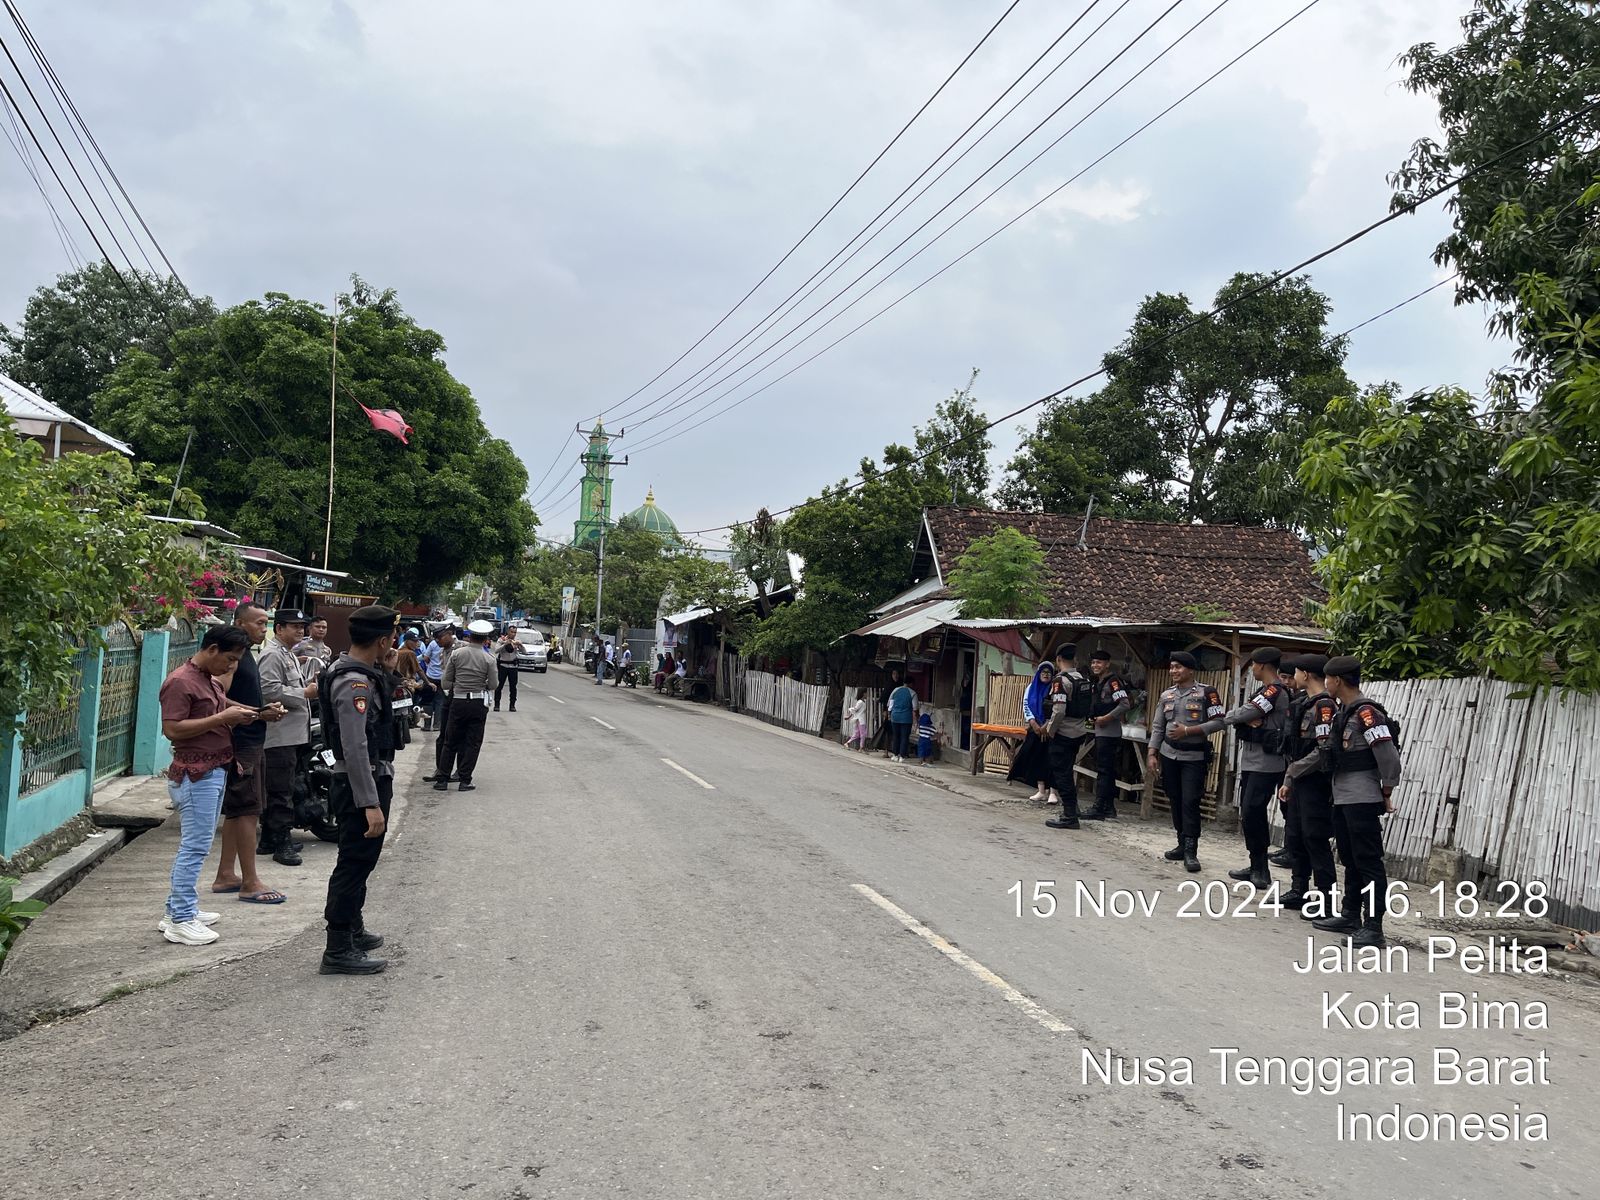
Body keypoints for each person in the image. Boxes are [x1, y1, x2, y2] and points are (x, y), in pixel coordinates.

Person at [157, 626, 259, 946]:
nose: (231, 666)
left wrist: (254, 713)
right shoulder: (180, 682)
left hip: (214, 769)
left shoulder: (206, 680)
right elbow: (173, 729)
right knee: (195, 846)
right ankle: (181, 919)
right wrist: (222, 719)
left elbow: (221, 704)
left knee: (197, 845)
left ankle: (176, 909)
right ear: (212, 649)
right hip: (195, 774)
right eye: (229, 659)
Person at [318, 605, 401, 975]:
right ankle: (337, 948)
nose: (393, 643)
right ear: (382, 640)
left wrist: (389, 669)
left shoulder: (356, 672)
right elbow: (354, 746)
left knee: (361, 861)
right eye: (391, 638)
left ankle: (352, 928)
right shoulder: (354, 683)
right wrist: (370, 802)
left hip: (364, 779)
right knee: (353, 865)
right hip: (360, 783)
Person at [1178, 646, 1292, 889]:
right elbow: (1246, 717)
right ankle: (1256, 864)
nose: (1252, 669)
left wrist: (1235, 718)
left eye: (1254, 665)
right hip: (1253, 760)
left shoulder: (1274, 691)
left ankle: (1261, 868)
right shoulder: (1263, 690)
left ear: (1262, 665)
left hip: (1266, 762)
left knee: (1253, 811)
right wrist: (1245, 721)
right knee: (1249, 813)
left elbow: (1245, 713)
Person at [1311, 655, 1402, 949]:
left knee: (1368, 861)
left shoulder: (1367, 714)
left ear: (1337, 680)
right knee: (1350, 858)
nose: (1326, 683)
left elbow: (1388, 757)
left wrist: (1386, 792)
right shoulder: (1344, 713)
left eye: (1328, 678)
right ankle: (1350, 914)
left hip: (1362, 798)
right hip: (1343, 797)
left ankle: (1373, 927)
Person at [214, 602, 287, 905]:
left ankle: (225, 874)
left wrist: (262, 711)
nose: (263, 628)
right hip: (242, 741)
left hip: (251, 739)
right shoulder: (232, 659)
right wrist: (258, 713)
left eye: (265, 622)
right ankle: (250, 882)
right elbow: (217, 697)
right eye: (258, 622)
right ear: (239, 624)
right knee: (247, 810)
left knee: (238, 810)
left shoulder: (246, 655)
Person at [1148, 651, 1225, 872]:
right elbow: (1158, 726)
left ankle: (1191, 850)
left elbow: (1219, 722)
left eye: (1178, 667)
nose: (1173, 671)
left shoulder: (1207, 692)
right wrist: (1152, 753)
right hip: (1169, 754)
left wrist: (1188, 731)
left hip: (1194, 756)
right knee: (1174, 798)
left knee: (1190, 800)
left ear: (1190, 670)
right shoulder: (1167, 695)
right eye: (1172, 667)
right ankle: (1181, 843)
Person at [1279, 654, 1340, 915]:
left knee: (1315, 838)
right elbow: (1295, 748)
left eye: (1295, 672)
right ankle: (1299, 889)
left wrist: (1295, 771)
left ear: (1305, 674)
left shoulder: (1325, 707)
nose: (1293, 677)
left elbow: (1323, 749)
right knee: (1295, 836)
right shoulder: (1304, 703)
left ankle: (1325, 900)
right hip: (1299, 781)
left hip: (1317, 783)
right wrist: (1289, 779)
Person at [258, 608, 316, 868]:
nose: (300, 630)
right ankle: (282, 843)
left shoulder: (288, 653)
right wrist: (304, 693)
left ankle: (269, 839)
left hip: (291, 734)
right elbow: (268, 689)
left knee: (282, 787)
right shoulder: (273, 654)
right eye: (294, 626)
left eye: (302, 626)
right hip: (279, 735)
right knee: (281, 791)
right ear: (279, 629)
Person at [437, 619, 496, 792]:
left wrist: (458, 684)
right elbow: (493, 684)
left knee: (450, 741)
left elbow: (445, 683)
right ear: (486, 639)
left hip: (458, 701)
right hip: (478, 703)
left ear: (470, 636)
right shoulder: (489, 659)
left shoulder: (457, 654)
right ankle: (464, 780)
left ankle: (442, 779)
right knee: (472, 743)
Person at [1044, 644, 1095, 830]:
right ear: (1074, 659)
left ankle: (1069, 815)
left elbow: (1059, 710)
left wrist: (1050, 730)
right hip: (1079, 732)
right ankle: (1073, 808)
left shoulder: (1061, 681)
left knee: (1062, 774)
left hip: (1063, 733)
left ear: (1058, 659)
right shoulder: (1083, 679)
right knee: (1068, 770)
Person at [1086, 649, 1131, 820]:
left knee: (1104, 771)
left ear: (1107, 664)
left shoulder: (1113, 682)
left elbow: (1125, 704)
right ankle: (1109, 808)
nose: (1095, 665)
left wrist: (1106, 718)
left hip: (1109, 732)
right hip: (1100, 730)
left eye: (1098, 662)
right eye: (1093, 662)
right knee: (1107, 770)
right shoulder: (1097, 682)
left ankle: (1099, 807)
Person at [1005, 662, 1057, 803]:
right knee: (1036, 758)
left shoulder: (1055, 688)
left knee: (1051, 760)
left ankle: (1053, 792)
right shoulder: (1031, 687)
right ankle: (1041, 791)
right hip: (1035, 728)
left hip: (1051, 729)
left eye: (1049, 672)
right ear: (1038, 674)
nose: (1046, 675)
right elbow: (1026, 704)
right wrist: (1033, 722)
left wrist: (1047, 725)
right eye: (1043, 672)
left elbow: (1057, 708)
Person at [886, 678, 917, 763]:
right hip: (906, 718)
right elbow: (915, 708)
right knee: (904, 737)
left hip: (895, 717)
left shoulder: (895, 690)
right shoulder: (913, 693)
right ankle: (902, 756)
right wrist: (916, 719)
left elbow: (890, 705)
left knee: (896, 736)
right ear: (911, 684)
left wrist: (889, 715)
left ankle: (895, 755)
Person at [494, 629, 520, 712]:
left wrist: (520, 645)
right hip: (503, 666)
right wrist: (505, 644)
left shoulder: (517, 641)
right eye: (512, 632)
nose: (513, 634)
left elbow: (525, 651)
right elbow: (496, 650)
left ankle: (512, 705)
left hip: (513, 666)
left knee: (513, 687)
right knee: (499, 685)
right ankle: (497, 704)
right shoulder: (501, 640)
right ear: (508, 632)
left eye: (515, 632)